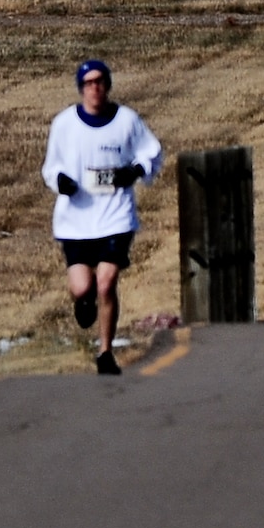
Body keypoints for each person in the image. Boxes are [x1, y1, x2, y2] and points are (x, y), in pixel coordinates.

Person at [42, 59, 163, 376]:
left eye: (100, 82)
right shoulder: (64, 124)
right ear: (81, 88)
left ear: (107, 85)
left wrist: (136, 171)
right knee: (83, 288)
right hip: (76, 219)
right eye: (89, 83)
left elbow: (150, 151)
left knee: (107, 283)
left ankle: (105, 352)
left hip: (115, 216)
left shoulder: (126, 120)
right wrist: (61, 182)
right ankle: (84, 301)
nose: (95, 88)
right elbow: (51, 166)